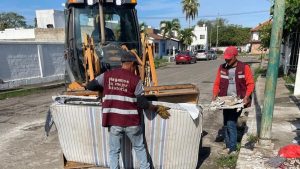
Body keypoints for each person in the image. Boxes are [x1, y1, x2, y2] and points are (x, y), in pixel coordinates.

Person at [86, 50, 170, 169]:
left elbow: (90, 86)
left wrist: (104, 88)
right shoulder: (136, 80)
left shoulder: (107, 75)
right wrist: (155, 108)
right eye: (135, 65)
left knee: (114, 152)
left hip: (114, 121)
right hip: (131, 122)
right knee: (139, 148)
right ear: (130, 64)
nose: (135, 68)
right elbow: (142, 103)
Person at [212, 46, 254, 154]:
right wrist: (214, 94)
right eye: (225, 58)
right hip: (226, 100)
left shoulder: (244, 67)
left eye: (229, 58)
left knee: (231, 122)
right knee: (226, 122)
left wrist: (246, 96)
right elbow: (217, 83)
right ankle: (227, 146)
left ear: (235, 56)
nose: (227, 60)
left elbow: (250, 84)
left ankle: (233, 148)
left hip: (238, 101)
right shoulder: (222, 68)